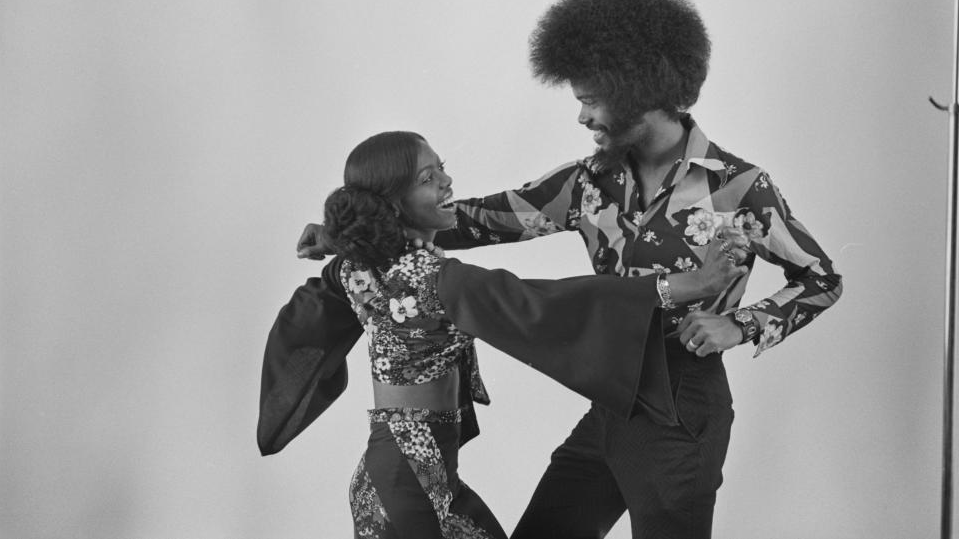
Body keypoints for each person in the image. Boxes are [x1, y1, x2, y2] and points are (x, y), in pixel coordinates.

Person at [296, 0, 843, 538]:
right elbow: (479, 220)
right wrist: (355, 232)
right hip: (610, 395)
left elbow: (822, 278)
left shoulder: (739, 186)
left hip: (682, 404)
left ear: (639, 90)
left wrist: (741, 324)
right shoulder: (587, 182)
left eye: (591, 101)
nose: (581, 116)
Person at [260, 130, 751, 539]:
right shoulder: (438, 282)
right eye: (428, 179)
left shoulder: (356, 265)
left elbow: (306, 313)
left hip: (388, 475)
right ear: (392, 205)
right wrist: (691, 284)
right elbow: (544, 308)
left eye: (442, 168)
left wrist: (336, 238)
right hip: (416, 484)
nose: (448, 181)